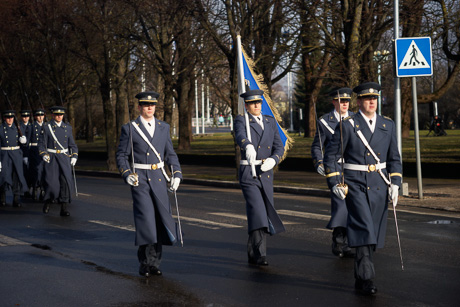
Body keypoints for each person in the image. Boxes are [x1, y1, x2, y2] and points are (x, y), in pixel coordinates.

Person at [324, 82, 402, 295]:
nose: (371, 102)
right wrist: (335, 182)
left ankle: (360, 275)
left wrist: (395, 184)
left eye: (374, 98)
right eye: (367, 99)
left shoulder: (388, 125)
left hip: (379, 184)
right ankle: (367, 278)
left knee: (373, 233)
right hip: (355, 183)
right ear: (358, 101)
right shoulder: (348, 125)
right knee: (364, 228)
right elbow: (331, 157)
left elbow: (394, 157)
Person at [116, 91, 182, 277]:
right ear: (139, 107)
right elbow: (121, 155)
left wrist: (176, 174)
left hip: (159, 177)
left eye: (152, 105)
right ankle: (145, 263)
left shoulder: (163, 127)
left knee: (160, 220)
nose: (149, 108)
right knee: (146, 221)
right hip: (141, 179)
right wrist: (127, 173)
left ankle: (155, 263)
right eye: (145, 105)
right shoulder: (130, 128)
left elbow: (170, 154)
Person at [234, 89, 285, 266]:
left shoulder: (270, 122)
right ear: (246, 105)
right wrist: (247, 145)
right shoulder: (242, 120)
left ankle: (254, 250)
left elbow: (279, 146)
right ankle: (260, 253)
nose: (256, 105)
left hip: (266, 172)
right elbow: (239, 134)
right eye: (252, 103)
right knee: (258, 210)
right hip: (250, 172)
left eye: (259, 103)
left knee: (265, 211)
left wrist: (274, 159)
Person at [311, 87, 354, 258]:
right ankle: (339, 241)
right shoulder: (324, 121)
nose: (344, 104)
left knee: (353, 206)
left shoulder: (356, 119)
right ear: (334, 102)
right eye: (341, 101)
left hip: (353, 168)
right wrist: (319, 162)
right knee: (340, 205)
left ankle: (350, 241)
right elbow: (317, 145)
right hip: (335, 167)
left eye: (347, 101)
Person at [39, 106, 78, 216]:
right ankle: (48, 201)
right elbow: (41, 144)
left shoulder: (67, 128)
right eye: (56, 115)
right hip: (52, 157)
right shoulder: (47, 127)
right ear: (52, 115)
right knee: (52, 183)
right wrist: (43, 154)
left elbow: (72, 145)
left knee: (65, 182)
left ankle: (63, 208)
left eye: (61, 115)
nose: (59, 116)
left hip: (64, 157)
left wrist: (74, 156)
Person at [0, 110, 28, 207]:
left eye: (11, 118)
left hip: (16, 154)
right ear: (4, 118)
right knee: (4, 175)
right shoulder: (1, 128)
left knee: (17, 175)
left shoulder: (18, 128)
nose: (10, 119)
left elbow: (25, 143)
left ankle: (16, 198)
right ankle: (2, 197)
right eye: (8, 118)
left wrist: (24, 142)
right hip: (5, 154)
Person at [28, 109, 46, 200]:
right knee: (37, 171)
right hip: (34, 152)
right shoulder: (32, 126)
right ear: (35, 117)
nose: (40, 117)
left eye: (42, 115)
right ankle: (35, 187)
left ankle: (43, 189)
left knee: (44, 171)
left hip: (45, 152)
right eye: (38, 116)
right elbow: (28, 141)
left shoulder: (46, 126)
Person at [20, 110, 33, 198]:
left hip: (31, 151)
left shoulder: (32, 126)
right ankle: (24, 190)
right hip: (21, 152)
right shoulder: (18, 126)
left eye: (27, 116)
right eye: (24, 116)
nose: (25, 118)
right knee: (23, 172)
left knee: (30, 172)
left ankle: (29, 188)